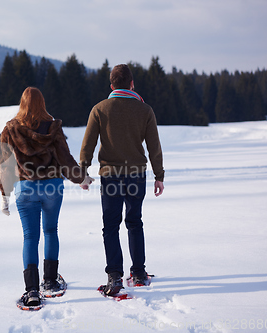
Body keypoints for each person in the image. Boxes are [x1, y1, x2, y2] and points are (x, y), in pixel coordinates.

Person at [0, 87, 93, 309]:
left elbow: (5, 165)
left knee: (30, 237)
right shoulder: (53, 128)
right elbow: (65, 159)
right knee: (51, 230)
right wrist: (81, 179)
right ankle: (50, 282)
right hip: (52, 186)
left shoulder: (10, 129)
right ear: (42, 103)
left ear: (22, 104)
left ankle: (31, 290)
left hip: (25, 187)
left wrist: (4, 195)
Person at [79, 64, 165, 296]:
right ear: (132, 84)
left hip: (110, 176)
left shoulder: (99, 109)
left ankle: (114, 274)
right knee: (135, 222)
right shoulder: (145, 110)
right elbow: (154, 146)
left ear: (111, 85)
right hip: (137, 175)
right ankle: (138, 272)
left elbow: (88, 144)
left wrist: (83, 172)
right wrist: (159, 176)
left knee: (110, 226)